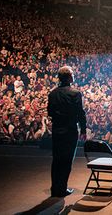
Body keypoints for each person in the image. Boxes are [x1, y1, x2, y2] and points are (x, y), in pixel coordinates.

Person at [47, 66, 87, 197]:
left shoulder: (52, 93)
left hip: (57, 129)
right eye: (72, 74)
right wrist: (83, 129)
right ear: (69, 77)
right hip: (70, 129)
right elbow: (80, 113)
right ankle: (62, 188)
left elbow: (50, 112)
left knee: (57, 159)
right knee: (67, 160)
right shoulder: (75, 93)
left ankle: (54, 188)